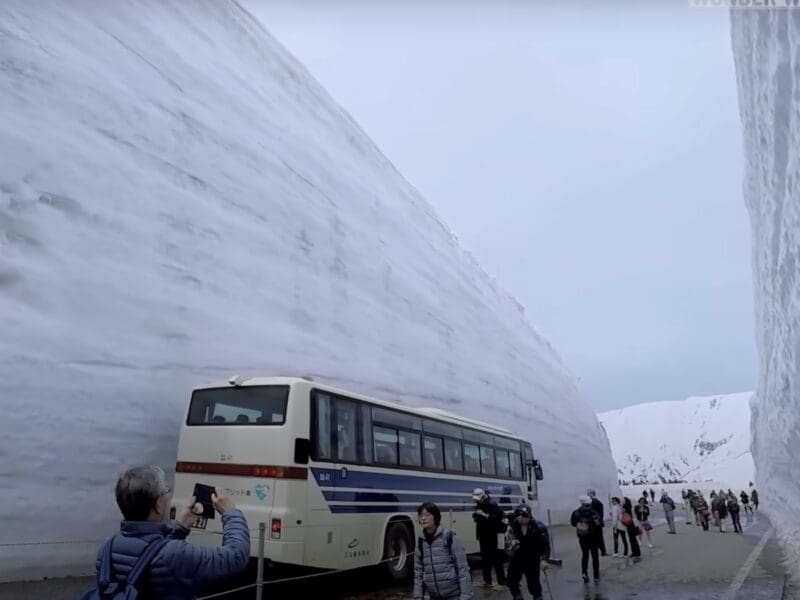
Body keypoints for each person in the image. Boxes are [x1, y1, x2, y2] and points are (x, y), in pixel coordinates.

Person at [90, 465, 249, 599]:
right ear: (157, 506)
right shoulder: (175, 554)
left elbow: (152, 555)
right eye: (165, 492)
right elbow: (236, 557)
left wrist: (181, 527)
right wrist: (230, 513)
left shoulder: (106, 549)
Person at [415, 502, 472, 600]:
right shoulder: (421, 542)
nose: (423, 518)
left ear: (435, 517)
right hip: (433, 596)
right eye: (421, 515)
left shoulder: (450, 538)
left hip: (453, 596)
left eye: (427, 515)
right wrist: (418, 596)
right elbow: (418, 572)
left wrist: (465, 596)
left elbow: (463, 570)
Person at [505, 503, 550, 600]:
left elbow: (545, 545)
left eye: (524, 515)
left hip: (532, 558)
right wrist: (511, 543)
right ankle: (517, 596)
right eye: (518, 515)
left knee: (534, 583)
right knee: (511, 580)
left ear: (529, 516)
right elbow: (507, 538)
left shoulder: (538, 528)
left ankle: (538, 596)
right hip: (517, 557)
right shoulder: (514, 524)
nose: (520, 517)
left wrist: (544, 559)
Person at [472, 488, 507, 589]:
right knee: (485, 559)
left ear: (483, 496)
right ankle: (487, 581)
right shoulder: (479, 504)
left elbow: (495, 519)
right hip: (484, 535)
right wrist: (476, 516)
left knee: (497, 559)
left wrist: (483, 514)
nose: (476, 501)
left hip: (493, 535)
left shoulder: (492, 504)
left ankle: (502, 583)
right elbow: (478, 519)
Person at [571, 495, 602, 583]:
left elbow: (573, 523)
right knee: (595, 557)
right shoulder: (594, 513)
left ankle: (584, 572)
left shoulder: (576, 513)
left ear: (581, 503)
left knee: (585, 555)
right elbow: (599, 524)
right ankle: (596, 576)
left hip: (583, 536)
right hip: (593, 537)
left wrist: (580, 524)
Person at [586, 488, 607, 556]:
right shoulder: (595, 501)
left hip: (596, 523)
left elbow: (597, 514)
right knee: (598, 537)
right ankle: (602, 551)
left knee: (598, 537)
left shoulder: (594, 502)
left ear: (592, 494)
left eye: (588, 493)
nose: (587, 495)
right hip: (597, 523)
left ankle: (602, 551)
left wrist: (597, 522)